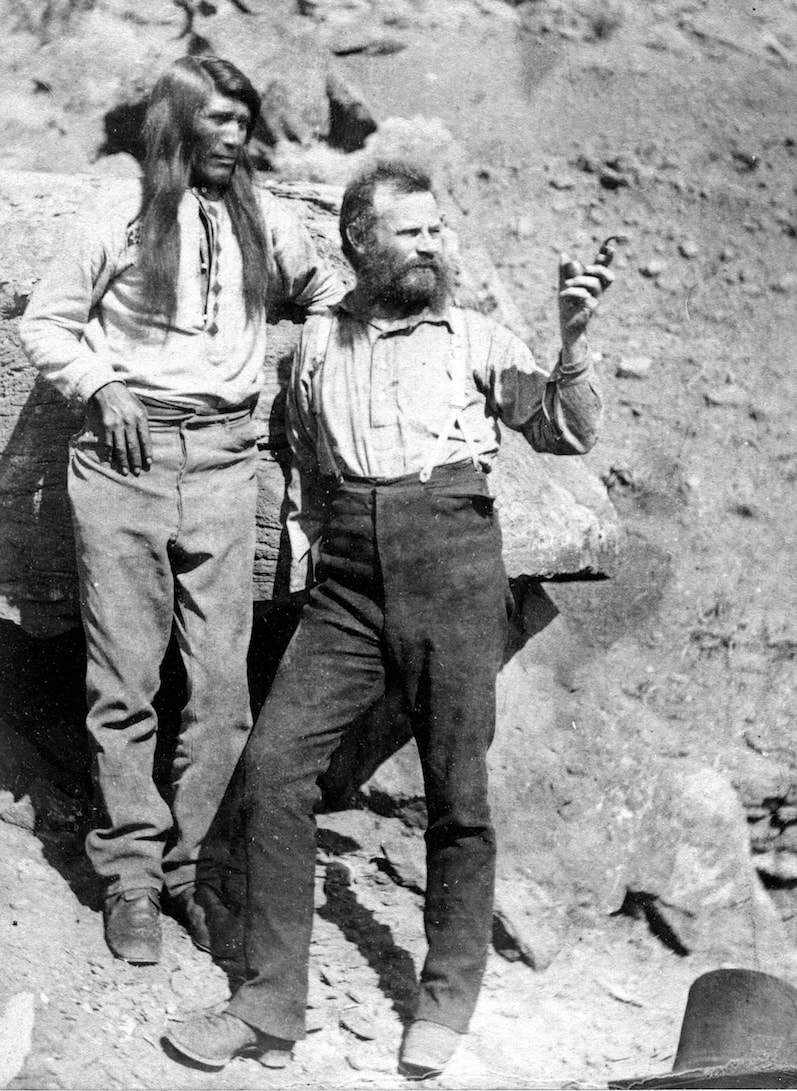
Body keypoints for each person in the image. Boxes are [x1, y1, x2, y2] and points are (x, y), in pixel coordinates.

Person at [166, 158, 613, 1076]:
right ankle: (269, 1002)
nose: (429, 245)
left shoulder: (474, 337)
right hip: (347, 583)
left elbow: (566, 431)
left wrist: (572, 340)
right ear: (360, 241)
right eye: (409, 231)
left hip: (452, 561)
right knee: (275, 767)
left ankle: (444, 1001)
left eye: (437, 229)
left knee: (456, 791)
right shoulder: (319, 346)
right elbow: (297, 454)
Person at [18, 55, 343, 966]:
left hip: (228, 461)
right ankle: (128, 878)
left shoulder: (263, 218)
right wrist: (100, 386)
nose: (237, 139)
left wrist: (305, 370)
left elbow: (322, 294)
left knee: (220, 684)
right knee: (123, 680)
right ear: (176, 128)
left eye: (245, 123)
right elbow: (46, 322)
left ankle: (190, 868)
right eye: (220, 123)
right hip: (126, 457)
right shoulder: (114, 217)